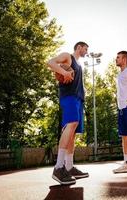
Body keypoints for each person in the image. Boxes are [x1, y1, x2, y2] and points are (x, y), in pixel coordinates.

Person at [47, 41, 89, 185]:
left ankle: (69, 167)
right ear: (79, 47)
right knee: (70, 125)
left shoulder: (79, 65)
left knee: (73, 132)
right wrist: (63, 72)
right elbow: (50, 62)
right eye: (85, 49)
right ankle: (59, 167)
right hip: (69, 97)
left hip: (78, 99)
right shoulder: (67, 56)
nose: (86, 52)